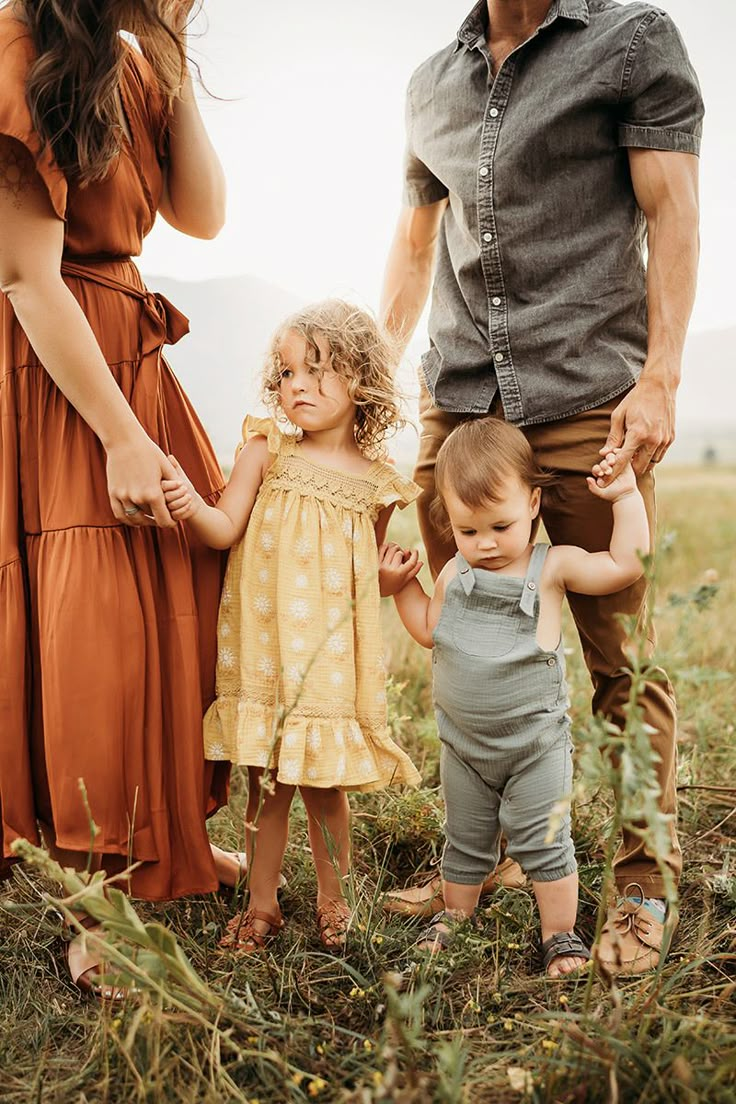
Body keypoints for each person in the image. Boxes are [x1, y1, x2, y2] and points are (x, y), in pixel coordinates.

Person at [380, 0, 703, 973]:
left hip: (585, 401)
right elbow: (410, 246)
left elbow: (671, 210)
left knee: (618, 666)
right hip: (460, 413)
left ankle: (643, 880)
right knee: (476, 645)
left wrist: (658, 378)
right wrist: (368, 387)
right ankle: (503, 856)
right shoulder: (431, 81)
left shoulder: (631, 41)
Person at [0, 0, 239, 998]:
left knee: (186, 582)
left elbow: (202, 213)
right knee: (94, 625)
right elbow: (23, 274)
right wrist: (123, 439)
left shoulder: (135, 61)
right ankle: (99, 900)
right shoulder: (20, 49)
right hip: (62, 370)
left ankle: (163, 837)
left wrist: (174, 52)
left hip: (126, 345)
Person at [162, 300, 422, 952]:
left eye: (315, 370)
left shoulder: (375, 485)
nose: (295, 385)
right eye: (285, 373)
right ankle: (261, 906)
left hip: (326, 665)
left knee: (325, 788)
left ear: (360, 379)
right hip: (265, 654)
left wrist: (388, 583)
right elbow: (224, 527)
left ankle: (336, 903)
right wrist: (188, 503)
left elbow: (363, 573)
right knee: (266, 786)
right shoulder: (264, 451)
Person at [379, 417, 649, 976]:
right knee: (465, 839)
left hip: (535, 750)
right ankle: (454, 916)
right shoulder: (455, 572)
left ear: (533, 502)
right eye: (467, 530)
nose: (485, 544)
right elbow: (431, 630)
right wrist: (403, 586)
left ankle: (560, 934)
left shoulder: (552, 567)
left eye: (499, 526)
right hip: (464, 751)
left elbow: (625, 565)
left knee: (546, 843)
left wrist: (623, 497)